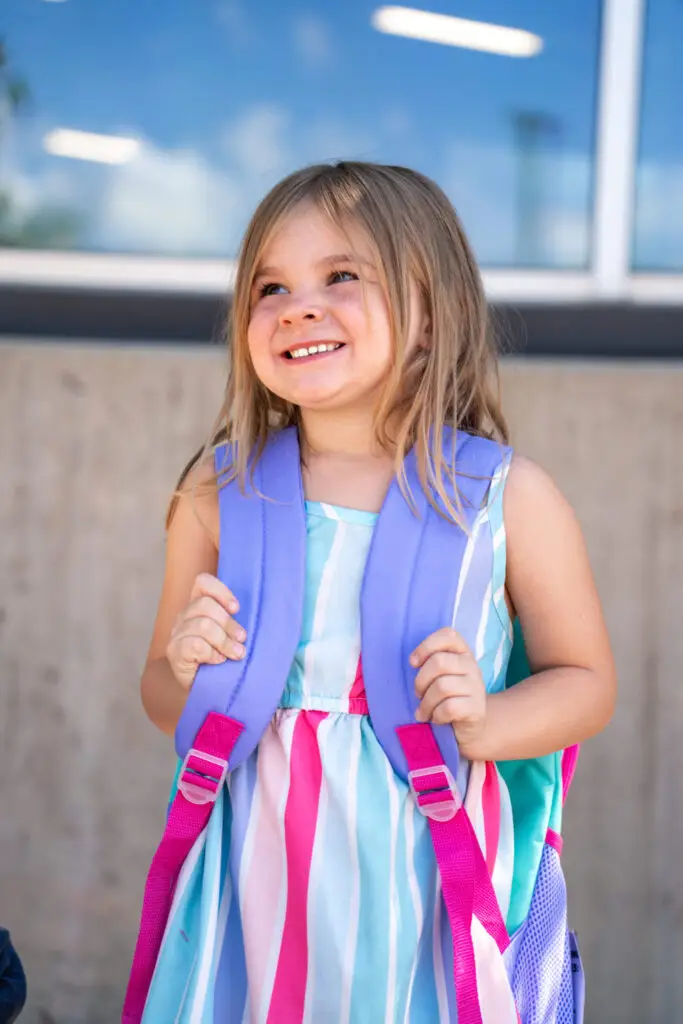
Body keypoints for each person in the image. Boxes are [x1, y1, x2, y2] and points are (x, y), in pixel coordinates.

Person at [134, 161, 616, 1021]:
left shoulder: (505, 499)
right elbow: (162, 695)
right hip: (249, 897)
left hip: (423, 900)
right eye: (270, 288)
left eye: (341, 277)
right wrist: (186, 667)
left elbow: (585, 684)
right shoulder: (217, 494)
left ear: (432, 311)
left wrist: (486, 721)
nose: (298, 307)